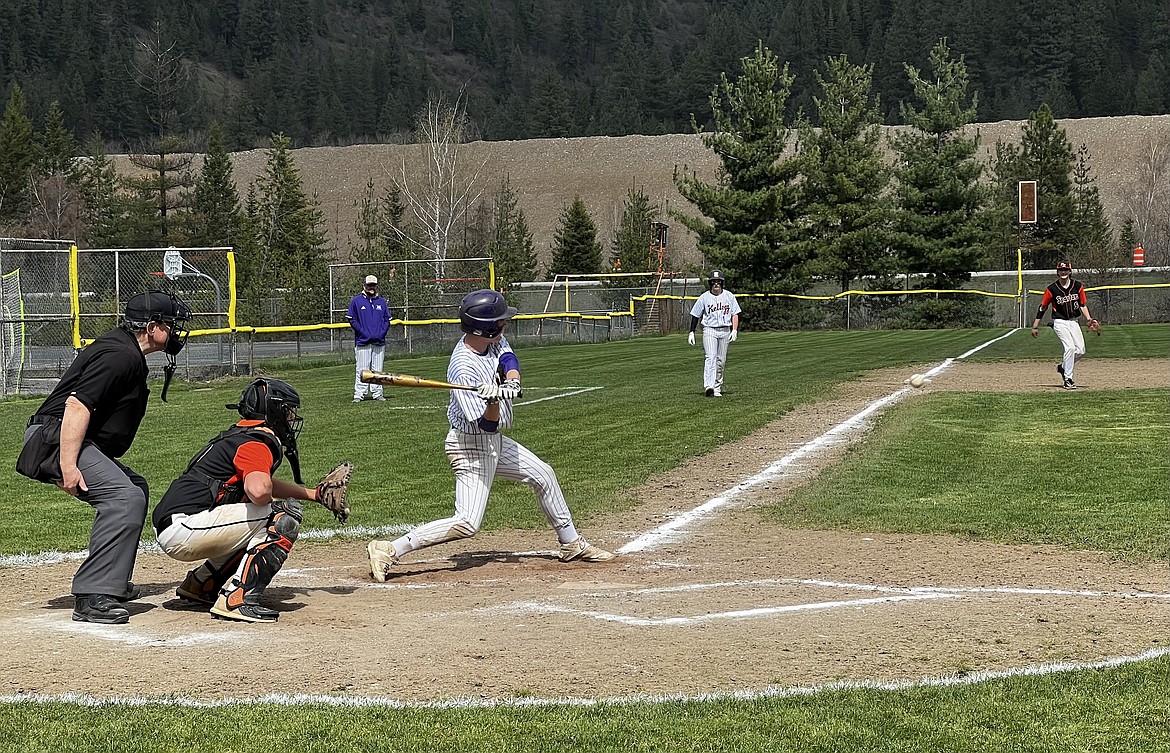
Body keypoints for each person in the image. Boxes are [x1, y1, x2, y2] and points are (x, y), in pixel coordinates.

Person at [366, 289, 613, 580]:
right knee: (467, 523)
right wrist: (494, 400)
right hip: (470, 447)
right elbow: (486, 425)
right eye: (500, 321)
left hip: (492, 444)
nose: (505, 325)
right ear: (484, 327)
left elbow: (508, 358)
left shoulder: (491, 342)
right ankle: (390, 549)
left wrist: (512, 381)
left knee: (543, 474)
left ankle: (571, 543)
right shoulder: (462, 368)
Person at [17, 290, 191, 624]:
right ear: (152, 327)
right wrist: (68, 466)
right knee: (123, 498)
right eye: (170, 324)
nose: (175, 332)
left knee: (134, 487)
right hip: (54, 437)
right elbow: (77, 405)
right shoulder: (120, 356)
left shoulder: (125, 349)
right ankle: (92, 595)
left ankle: (112, 581)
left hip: (65, 436)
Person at [152, 378, 321, 623]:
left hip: (178, 525)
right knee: (283, 515)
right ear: (272, 411)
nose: (291, 418)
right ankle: (236, 599)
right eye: (286, 411)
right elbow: (260, 490)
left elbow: (260, 484)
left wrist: (313, 495)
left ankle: (201, 584)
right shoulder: (256, 443)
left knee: (261, 516)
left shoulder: (239, 436)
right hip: (186, 528)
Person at [1030, 261, 1099, 390]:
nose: (1063, 272)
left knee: (1081, 350)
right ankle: (1068, 379)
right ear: (1057, 272)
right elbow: (1043, 307)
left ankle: (1063, 367)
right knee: (1070, 348)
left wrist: (1089, 319)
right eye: (1061, 270)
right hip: (1059, 322)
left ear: (1070, 272)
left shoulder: (1077, 286)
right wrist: (1035, 325)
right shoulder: (1052, 289)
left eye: (1066, 270)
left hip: (1074, 321)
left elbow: (1083, 305)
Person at [687, 269, 741, 397]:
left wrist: (734, 329)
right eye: (713, 282)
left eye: (718, 282)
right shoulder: (704, 297)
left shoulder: (729, 296)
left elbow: (735, 313)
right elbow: (695, 315)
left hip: (725, 330)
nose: (716, 284)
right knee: (710, 357)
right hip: (709, 330)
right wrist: (691, 332)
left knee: (721, 361)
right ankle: (709, 386)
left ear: (722, 283)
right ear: (710, 284)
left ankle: (717, 387)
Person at [347, 274, 391, 402]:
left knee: (378, 370)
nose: (371, 287)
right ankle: (359, 394)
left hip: (379, 341)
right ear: (364, 285)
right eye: (369, 285)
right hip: (362, 341)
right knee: (362, 369)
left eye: (373, 285)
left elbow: (386, 320)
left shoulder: (382, 302)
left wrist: (381, 333)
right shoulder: (356, 301)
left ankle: (377, 393)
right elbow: (352, 320)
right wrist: (363, 332)